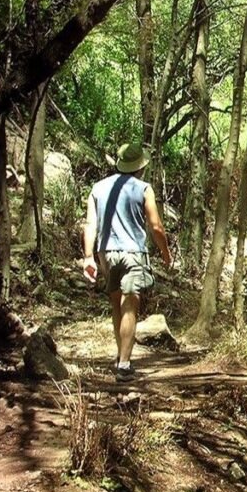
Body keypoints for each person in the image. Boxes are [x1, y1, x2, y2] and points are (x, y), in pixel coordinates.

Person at [83, 143, 172, 382]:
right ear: (140, 166)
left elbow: (90, 224)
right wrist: (166, 252)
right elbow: (156, 226)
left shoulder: (98, 188)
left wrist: (87, 257)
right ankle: (124, 365)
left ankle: (120, 356)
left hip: (106, 253)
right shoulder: (144, 189)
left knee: (116, 305)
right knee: (130, 306)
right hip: (133, 252)